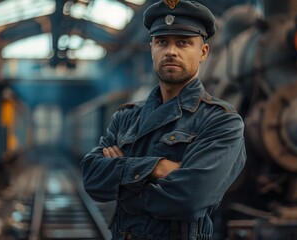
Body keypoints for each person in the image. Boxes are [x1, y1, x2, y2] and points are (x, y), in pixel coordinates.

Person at [80, 0, 246, 239]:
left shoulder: (222, 122)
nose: (171, 51)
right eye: (162, 42)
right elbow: (91, 177)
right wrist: (157, 168)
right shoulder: (126, 117)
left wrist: (122, 180)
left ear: (203, 52)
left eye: (183, 42)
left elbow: (190, 199)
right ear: (152, 48)